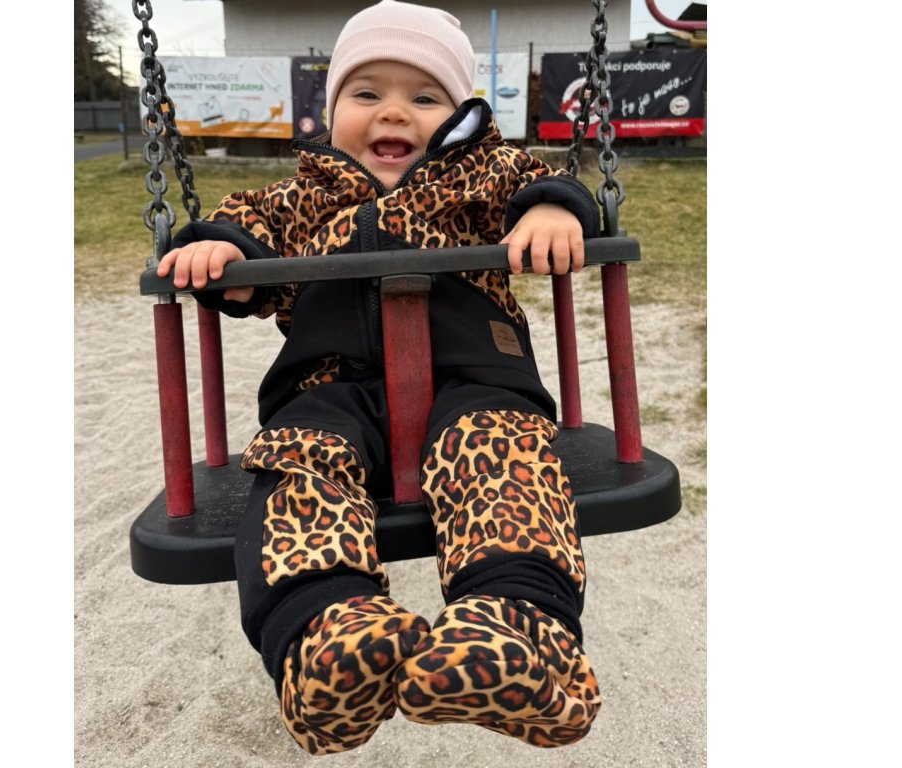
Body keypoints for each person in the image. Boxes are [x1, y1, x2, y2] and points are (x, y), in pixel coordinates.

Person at [157, 0, 602, 755]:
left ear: (457, 115)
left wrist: (554, 212)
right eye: (367, 93)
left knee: (504, 462)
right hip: (326, 388)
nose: (394, 111)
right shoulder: (299, 198)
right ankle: (325, 640)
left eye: (424, 97)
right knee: (299, 468)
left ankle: (521, 631)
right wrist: (220, 255)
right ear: (332, 112)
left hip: (475, 377)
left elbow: (547, 187)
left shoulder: (483, 174)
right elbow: (240, 229)